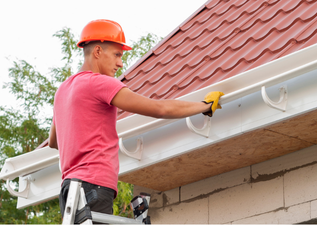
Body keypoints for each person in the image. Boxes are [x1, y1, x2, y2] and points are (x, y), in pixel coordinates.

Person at [48, 19, 224, 217]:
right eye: (117, 55)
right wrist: (204, 106)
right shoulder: (100, 83)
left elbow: (54, 142)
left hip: (69, 190)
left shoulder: (62, 90)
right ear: (98, 51)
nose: (120, 63)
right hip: (94, 185)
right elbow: (159, 108)